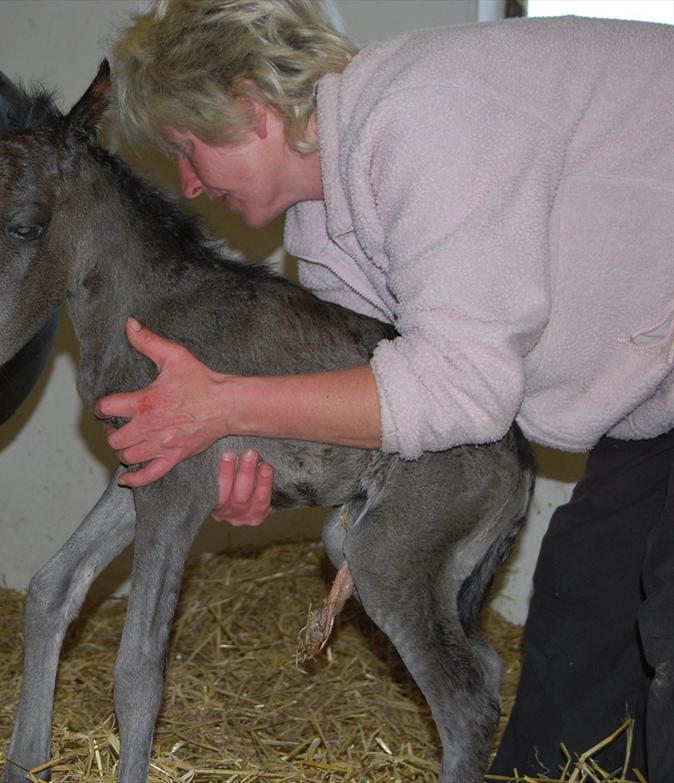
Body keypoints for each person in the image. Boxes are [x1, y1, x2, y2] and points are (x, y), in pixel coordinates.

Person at [98, 0, 673, 779]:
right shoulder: (325, 235)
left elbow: (463, 385)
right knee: (585, 616)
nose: (191, 185)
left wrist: (226, 404)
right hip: (655, 405)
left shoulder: (421, 116)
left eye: (187, 149)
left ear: (250, 107)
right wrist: (266, 466)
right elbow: (389, 412)